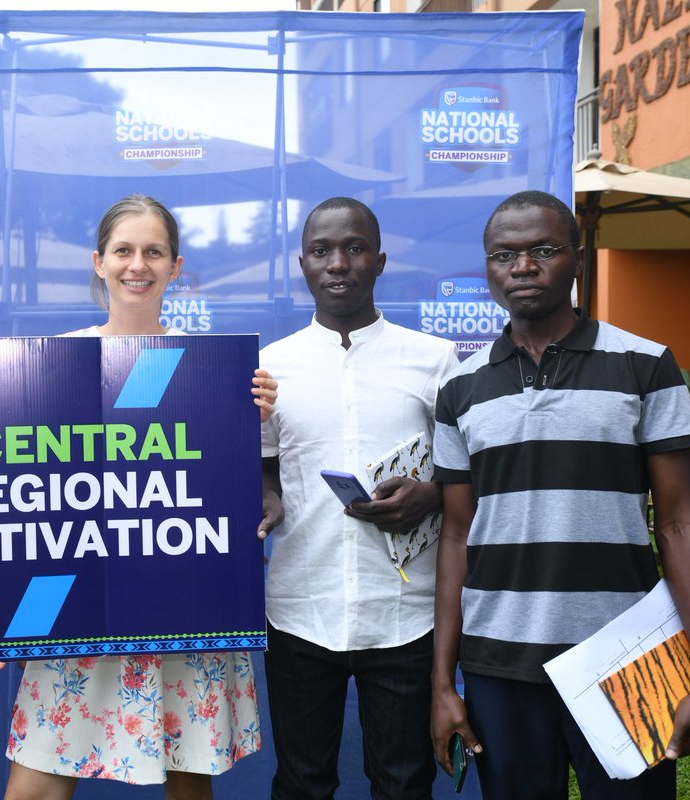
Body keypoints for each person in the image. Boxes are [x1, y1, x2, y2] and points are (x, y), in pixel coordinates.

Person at [0, 193, 275, 800]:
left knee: (187, 779)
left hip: (181, 603)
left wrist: (257, 416)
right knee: (34, 785)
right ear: (99, 261)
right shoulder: (53, 362)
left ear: (176, 266)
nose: (138, 265)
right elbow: (21, 501)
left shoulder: (222, 372)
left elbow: (247, 487)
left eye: (153, 252)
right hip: (76, 605)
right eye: (124, 251)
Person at [430, 190, 690, 798]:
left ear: (577, 260)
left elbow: (679, 524)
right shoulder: (460, 388)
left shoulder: (645, 365)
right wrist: (443, 684)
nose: (523, 267)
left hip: (627, 657)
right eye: (503, 255)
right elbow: (456, 535)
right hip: (499, 663)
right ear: (487, 267)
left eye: (543, 250)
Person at [257, 196, 459, 800]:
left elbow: (467, 476)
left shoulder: (434, 359)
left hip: (403, 613)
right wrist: (266, 496)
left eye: (354, 248)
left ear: (379, 261)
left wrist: (432, 495)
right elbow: (266, 471)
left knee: (401, 783)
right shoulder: (270, 369)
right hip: (299, 610)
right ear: (303, 264)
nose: (338, 263)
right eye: (322, 251)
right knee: (301, 783)